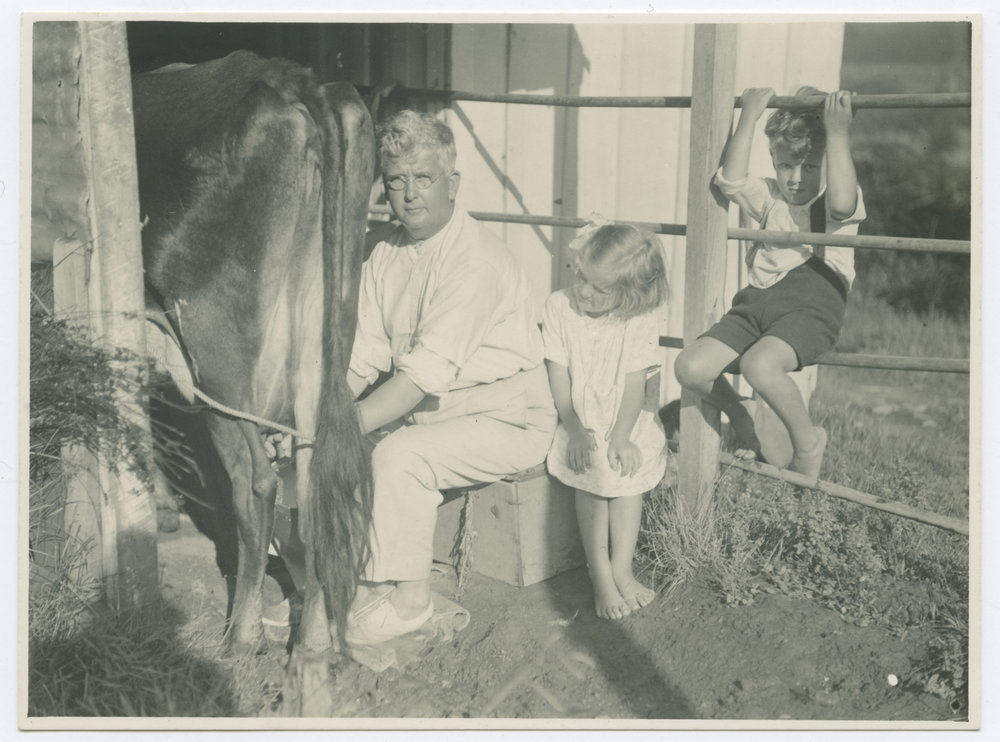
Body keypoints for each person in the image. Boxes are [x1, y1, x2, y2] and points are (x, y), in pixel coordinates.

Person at [345, 110, 557, 644]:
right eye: (396, 180)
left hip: (507, 416)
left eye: (424, 179)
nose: (410, 194)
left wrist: (343, 424)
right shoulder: (385, 253)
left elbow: (417, 380)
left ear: (452, 182)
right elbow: (363, 356)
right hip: (439, 410)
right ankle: (345, 576)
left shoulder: (475, 259)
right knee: (329, 442)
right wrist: (320, 417)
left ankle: (411, 602)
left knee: (399, 456)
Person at [674, 86, 866, 478]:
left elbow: (843, 204)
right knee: (690, 367)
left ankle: (807, 441)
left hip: (811, 306)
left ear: (828, 162)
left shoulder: (834, 204)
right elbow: (730, 180)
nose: (795, 179)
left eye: (809, 167)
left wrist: (838, 133)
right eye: (784, 166)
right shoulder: (771, 197)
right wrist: (749, 116)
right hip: (756, 304)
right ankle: (741, 412)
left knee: (759, 365)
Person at [542, 221, 670, 620]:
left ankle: (622, 568)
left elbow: (635, 384)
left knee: (626, 476)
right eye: (582, 278)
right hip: (579, 416)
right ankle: (599, 574)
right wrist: (576, 427)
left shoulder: (640, 318)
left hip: (624, 420)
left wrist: (622, 436)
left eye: (600, 289)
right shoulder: (559, 307)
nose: (584, 292)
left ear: (630, 295)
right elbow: (558, 373)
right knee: (595, 478)